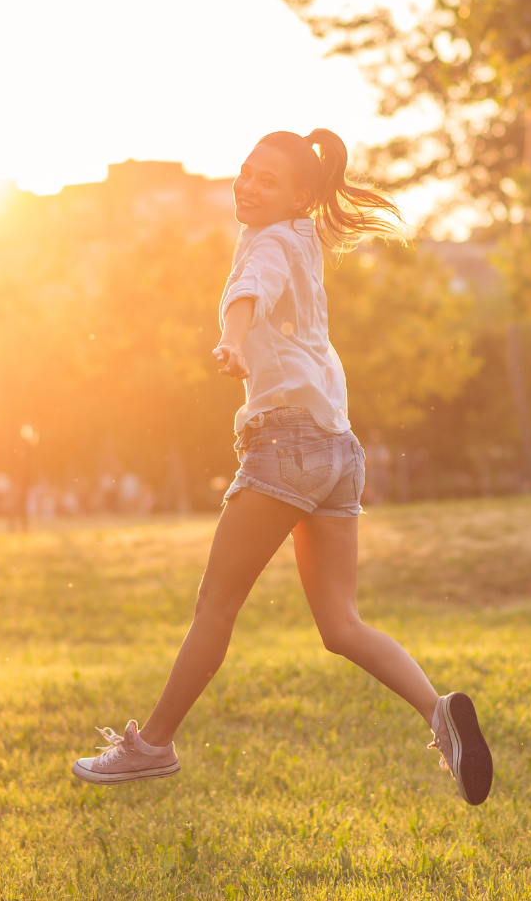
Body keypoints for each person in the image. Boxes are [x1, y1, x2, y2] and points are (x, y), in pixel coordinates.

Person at [68, 128, 494, 805]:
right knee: (342, 625)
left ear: (298, 194)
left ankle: (149, 747)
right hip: (337, 450)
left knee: (215, 607)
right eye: (244, 172)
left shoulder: (268, 245)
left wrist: (230, 341)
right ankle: (439, 712)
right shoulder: (303, 239)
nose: (248, 185)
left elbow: (248, 293)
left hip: (287, 445)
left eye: (267, 179)